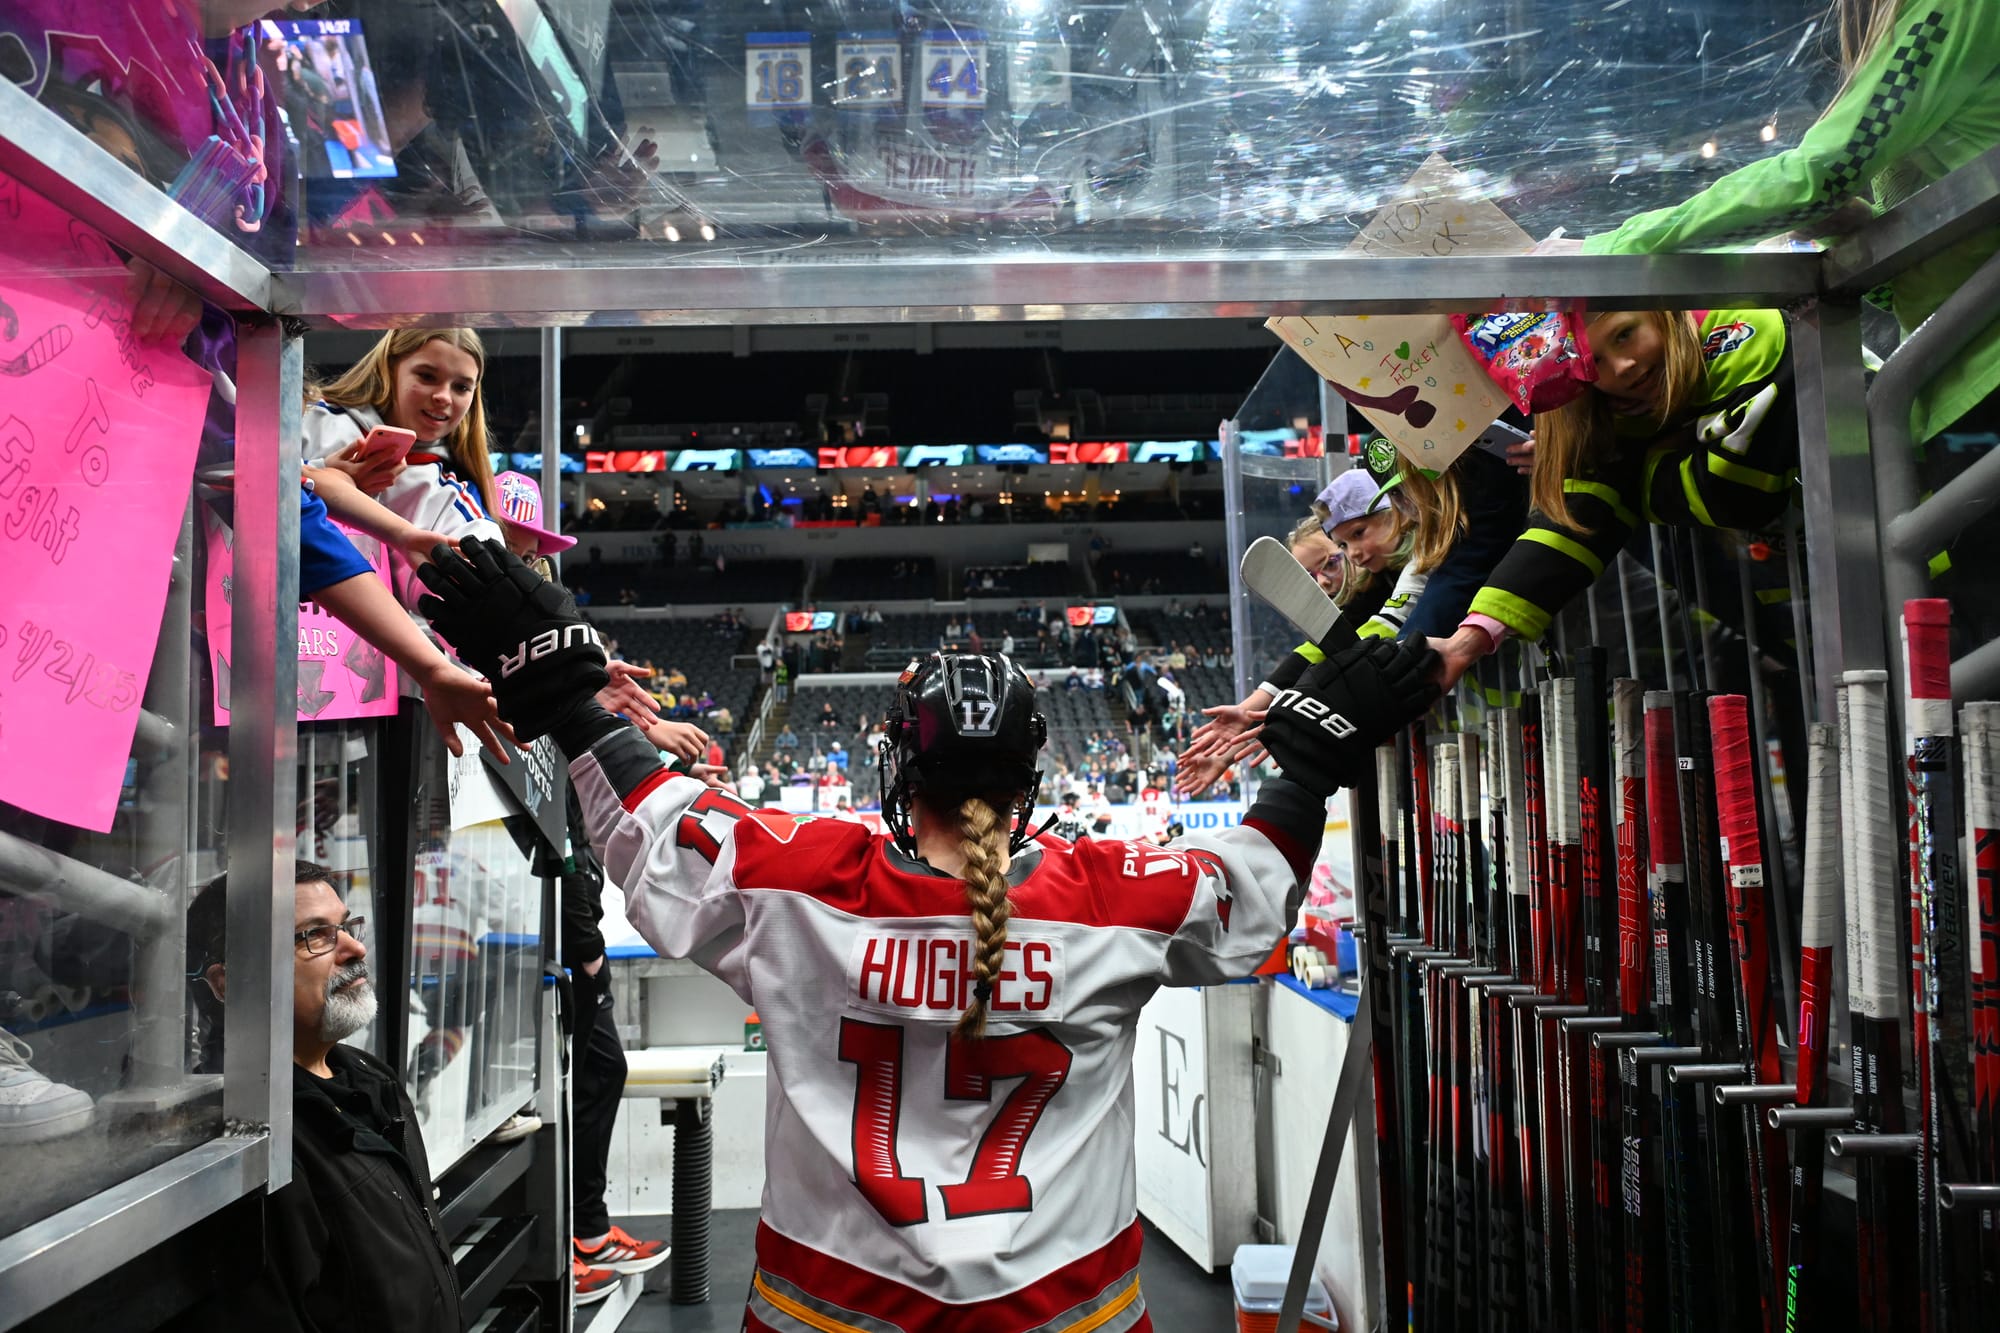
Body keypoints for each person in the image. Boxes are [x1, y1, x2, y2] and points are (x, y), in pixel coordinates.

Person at [413, 537, 1440, 1333]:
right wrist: (1305, 772)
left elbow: (651, 817)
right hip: (1066, 1307)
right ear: (1030, 776)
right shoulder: (1113, 894)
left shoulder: (796, 880)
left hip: (830, 1304)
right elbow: (1249, 888)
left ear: (899, 772)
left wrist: (569, 699)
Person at [1427, 306, 1800, 689]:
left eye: (1624, 334)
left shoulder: (1740, 326)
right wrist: (1466, 643)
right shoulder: (1608, 415)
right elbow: (1571, 525)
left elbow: (1739, 495)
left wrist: (1621, 464)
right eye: (1595, 361)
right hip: (1800, 601)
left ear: (1662, 312)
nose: (1623, 366)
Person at [184, 861, 461, 1331]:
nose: (355, 948)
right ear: (229, 982)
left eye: (346, 926)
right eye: (315, 936)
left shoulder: (369, 1079)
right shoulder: (246, 1139)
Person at [300, 328, 502, 611]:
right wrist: (323, 473)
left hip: (352, 652)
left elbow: (486, 590)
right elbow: (233, 474)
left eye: (461, 387)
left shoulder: (446, 495)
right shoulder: (306, 418)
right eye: (427, 376)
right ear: (390, 369)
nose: (444, 396)